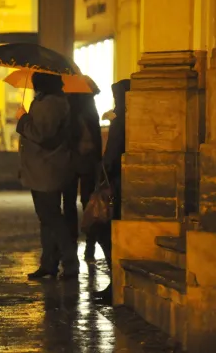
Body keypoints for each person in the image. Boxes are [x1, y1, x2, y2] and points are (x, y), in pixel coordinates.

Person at [16, 72, 78, 281]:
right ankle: (49, 263)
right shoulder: (49, 101)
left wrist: (23, 119)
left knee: (51, 216)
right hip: (42, 168)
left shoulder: (51, 103)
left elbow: (41, 133)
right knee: (47, 218)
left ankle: (69, 262)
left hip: (47, 168)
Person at [92, 79, 130, 303]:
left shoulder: (120, 120)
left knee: (105, 232)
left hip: (115, 185)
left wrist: (102, 171)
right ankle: (115, 283)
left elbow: (112, 155)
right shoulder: (126, 117)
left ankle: (116, 283)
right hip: (121, 183)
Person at [62, 93, 102, 261]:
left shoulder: (68, 112)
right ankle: (90, 246)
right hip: (89, 162)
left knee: (69, 205)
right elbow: (97, 140)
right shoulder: (91, 112)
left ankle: (71, 244)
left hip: (70, 162)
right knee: (88, 204)